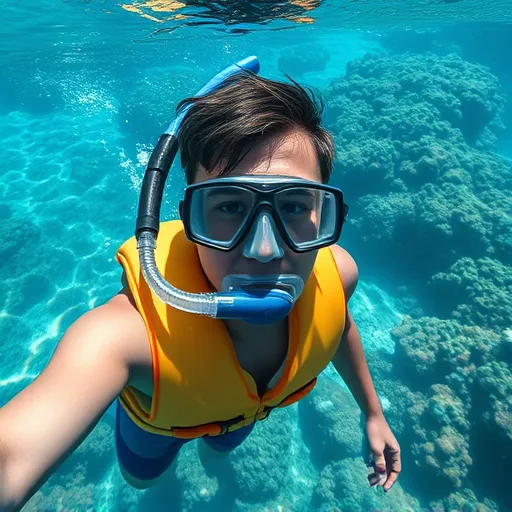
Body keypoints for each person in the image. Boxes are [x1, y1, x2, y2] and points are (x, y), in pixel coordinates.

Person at [0, 57, 400, 512]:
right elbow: (11, 456)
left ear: (324, 216)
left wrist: (372, 411)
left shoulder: (339, 272)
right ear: (189, 221)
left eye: (293, 207)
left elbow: (340, 325)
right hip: (156, 432)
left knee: (222, 446)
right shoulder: (125, 338)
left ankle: (213, 452)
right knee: (141, 479)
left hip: (240, 415)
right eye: (229, 207)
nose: (264, 250)